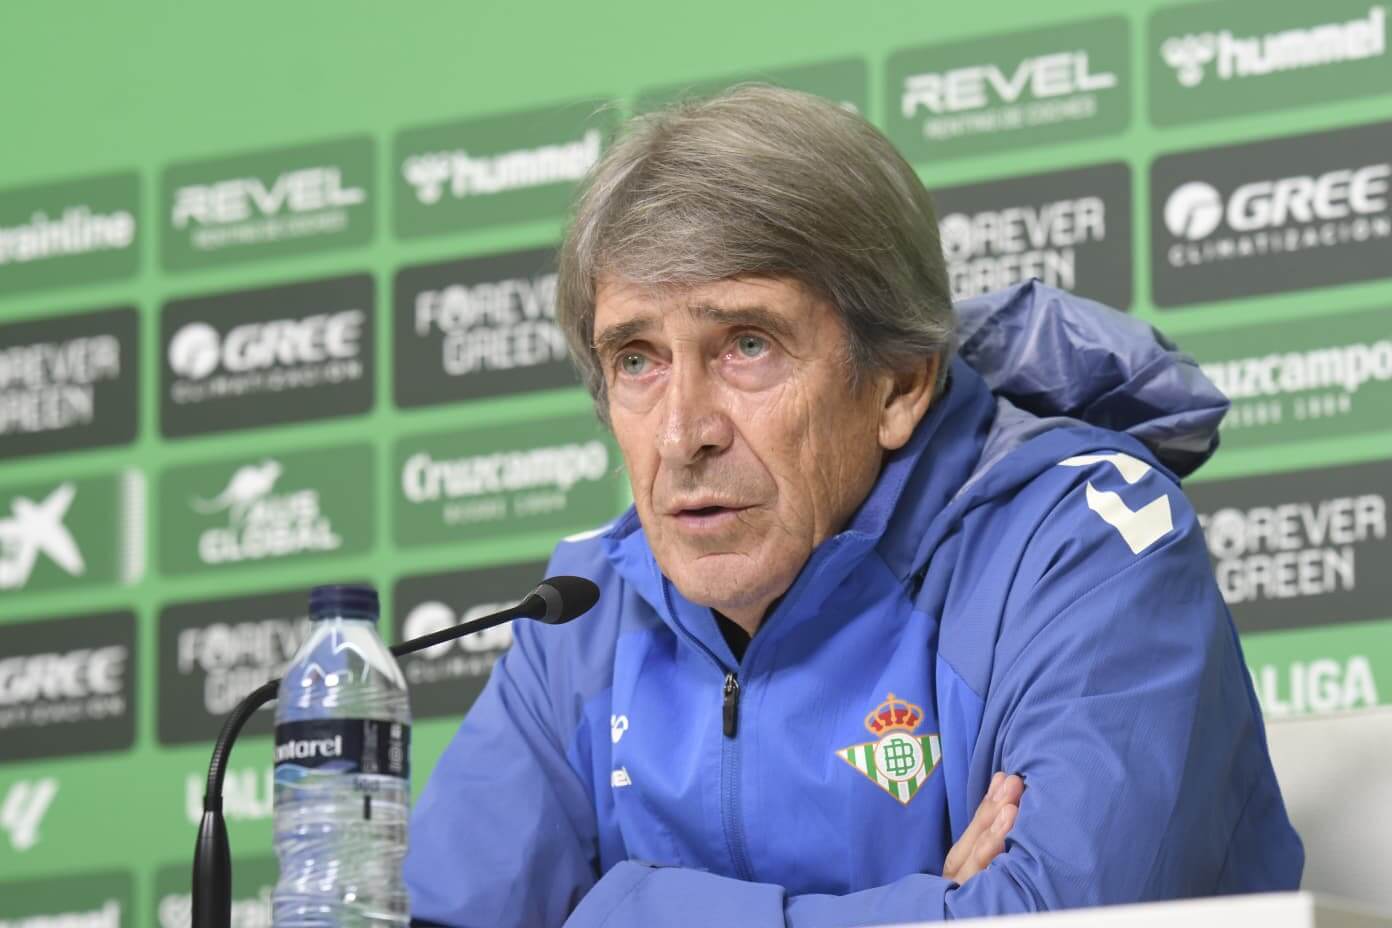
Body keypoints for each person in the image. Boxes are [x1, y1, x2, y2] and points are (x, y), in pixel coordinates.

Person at [404, 86, 1302, 927]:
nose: (683, 434)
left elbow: (1063, 921)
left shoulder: (1086, 548)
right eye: (637, 359)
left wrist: (630, 910)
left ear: (900, 383)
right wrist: (926, 909)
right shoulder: (589, 609)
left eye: (746, 345)